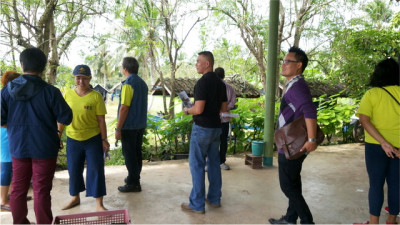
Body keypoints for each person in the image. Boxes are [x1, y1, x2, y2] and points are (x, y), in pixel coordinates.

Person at [1, 47, 73, 224]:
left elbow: (1, 119)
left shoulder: (7, 91)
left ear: (22, 64)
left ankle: (19, 222)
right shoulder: (51, 91)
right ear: (43, 67)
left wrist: (15, 129)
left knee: (18, 188)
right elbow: (66, 117)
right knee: (41, 190)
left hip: (18, 147)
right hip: (44, 147)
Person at [269, 47, 318, 224]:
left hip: (292, 143)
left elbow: (310, 111)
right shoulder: (294, 84)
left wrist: (312, 140)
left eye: (287, 62)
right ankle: (290, 219)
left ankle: (307, 221)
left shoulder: (297, 87)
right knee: (293, 183)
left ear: (298, 65)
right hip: (292, 141)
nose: (283, 64)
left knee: (287, 185)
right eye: (283, 61)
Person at [58, 65, 109, 211]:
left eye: (85, 78)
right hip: (73, 139)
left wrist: (104, 140)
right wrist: (58, 135)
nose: (81, 81)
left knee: (96, 170)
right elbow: (62, 118)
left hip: (93, 139)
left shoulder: (96, 96)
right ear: (74, 78)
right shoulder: (67, 95)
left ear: (90, 79)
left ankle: (99, 204)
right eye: (78, 78)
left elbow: (101, 120)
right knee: (74, 170)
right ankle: (75, 198)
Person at [181, 51, 228, 214]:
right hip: (216, 128)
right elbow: (224, 109)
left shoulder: (202, 83)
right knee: (214, 164)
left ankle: (196, 204)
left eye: (198, 61)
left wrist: (187, 110)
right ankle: (214, 198)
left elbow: (198, 109)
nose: (196, 64)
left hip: (202, 128)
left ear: (207, 63)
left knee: (197, 165)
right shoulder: (221, 84)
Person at [355, 58, 399, 225]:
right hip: (398, 147)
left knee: (376, 185)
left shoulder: (372, 94)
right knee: (396, 185)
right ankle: (392, 221)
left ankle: (374, 223)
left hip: (376, 146)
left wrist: (383, 142)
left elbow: (364, 120)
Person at [115, 57, 148, 193]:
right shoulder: (143, 83)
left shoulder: (128, 84)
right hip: (140, 125)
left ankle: (134, 183)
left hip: (129, 126)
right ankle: (133, 177)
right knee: (136, 153)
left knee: (129, 154)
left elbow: (124, 107)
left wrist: (118, 128)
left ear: (125, 69)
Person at [0, 71, 20, 212]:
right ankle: (2, 200)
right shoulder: (4, 94)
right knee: (6, 167)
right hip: (5, 134)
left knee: (13, 166)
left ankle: (13, 196)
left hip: (11, 133)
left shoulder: (11, 94)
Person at [215, 67, 236, 170]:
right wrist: (228, 107)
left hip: (218, 119)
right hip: (220, 119)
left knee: (216, 141)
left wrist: (225, 108)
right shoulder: (229, 87)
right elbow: (233, 101)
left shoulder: (228, 88)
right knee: (223, 141)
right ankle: (221, 162)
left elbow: (233, 100)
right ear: (224, 75)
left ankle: (216, 162)